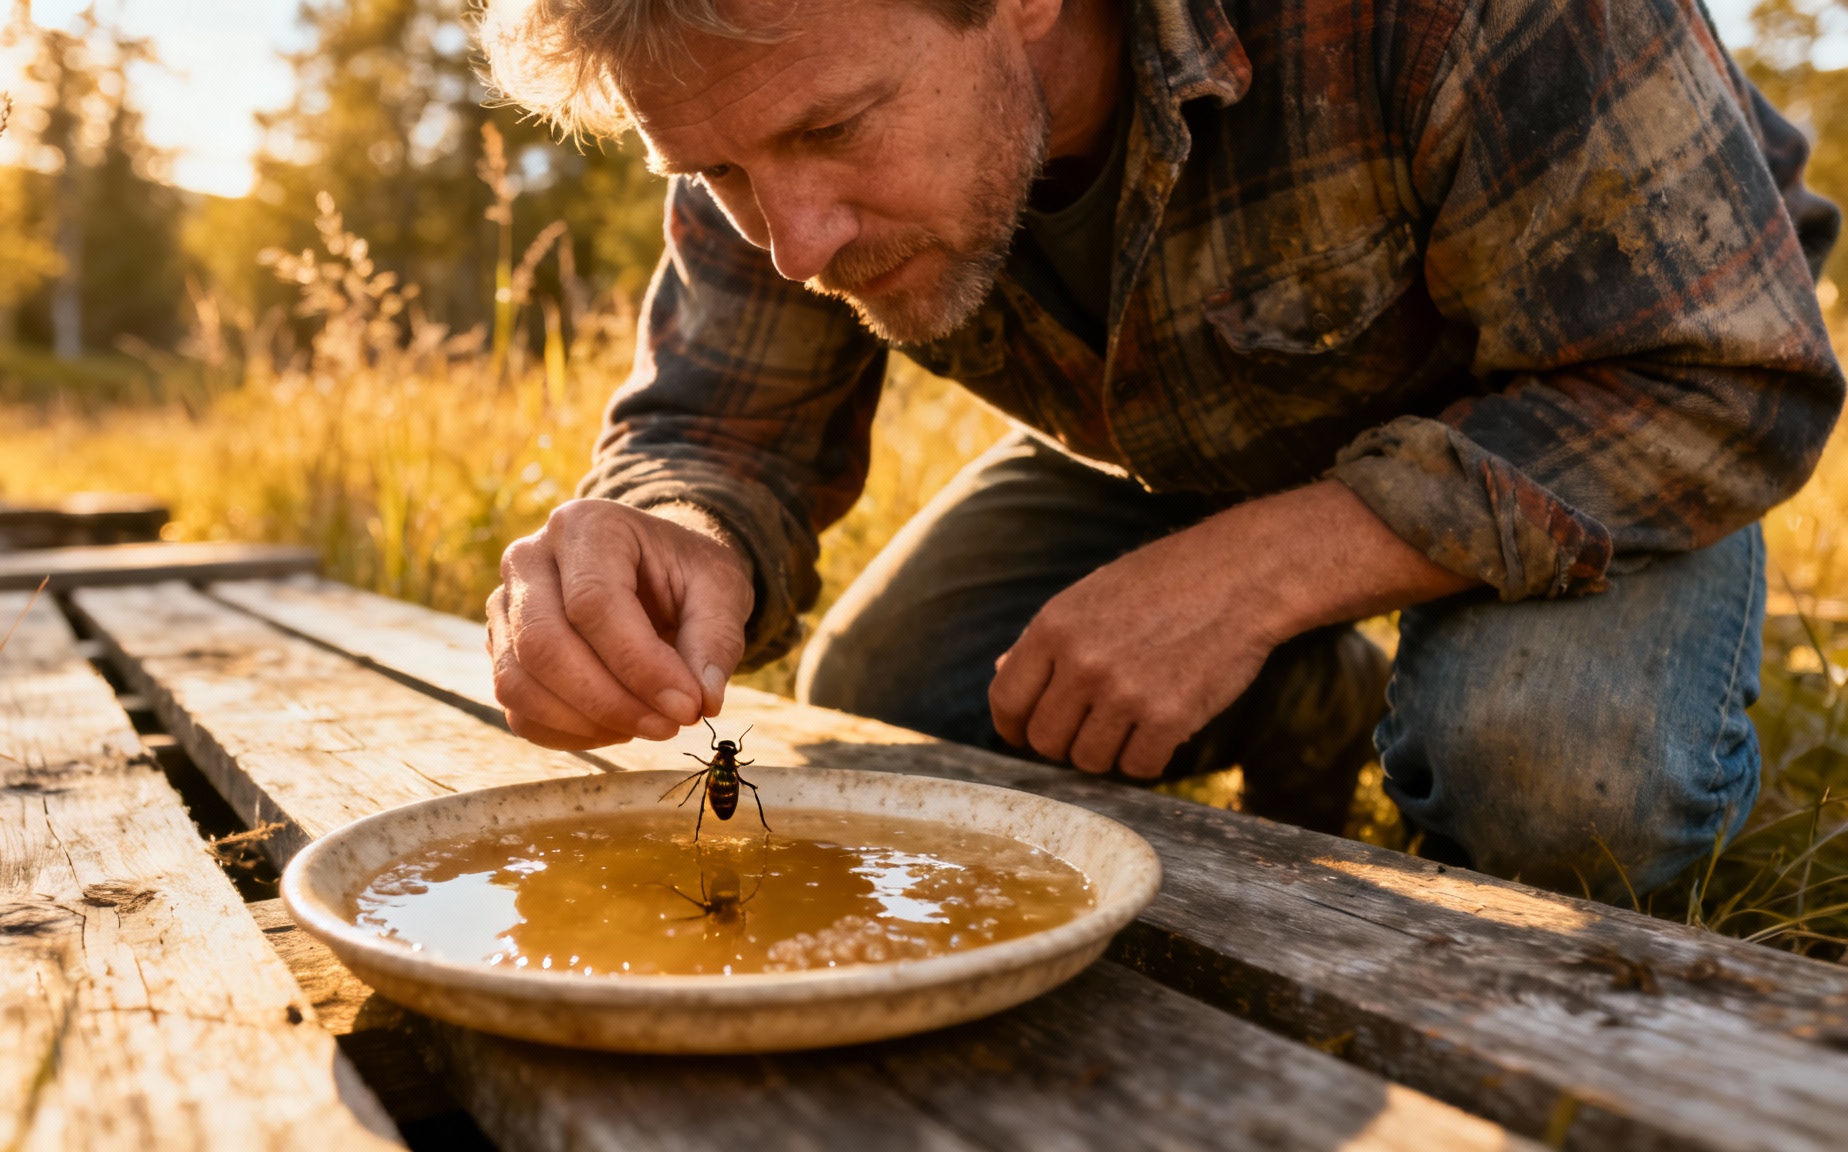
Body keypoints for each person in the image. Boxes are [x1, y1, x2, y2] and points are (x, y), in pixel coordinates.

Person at [473, 0, 1845, 901]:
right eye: (715, 173)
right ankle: (1311, 691)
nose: (794, 241)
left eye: (834, 131)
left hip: (1579, 405)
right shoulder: (766, 116)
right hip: (1195, 443)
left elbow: (1721, 375)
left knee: (1557, 774)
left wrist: (1257, 575)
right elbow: (716, 431)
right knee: (889, 708)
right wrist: (668, 536)